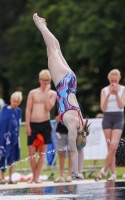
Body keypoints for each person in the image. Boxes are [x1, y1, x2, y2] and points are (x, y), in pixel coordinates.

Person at [33, 13, 89, 179]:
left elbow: (80, 148)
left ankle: (44, 26)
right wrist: (76, 173)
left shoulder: (82, 123)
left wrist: (79, 172)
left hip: (72, 81)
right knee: (51, 50)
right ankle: (40, 24)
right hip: (63, 83)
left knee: (56, 49)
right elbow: (74, 149)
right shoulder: (72, 125)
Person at [95, 69, 125, 181]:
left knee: (114, 146)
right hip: (107, 118)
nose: (113, 82)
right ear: (109, 80)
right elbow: (103, 108)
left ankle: (103, 170)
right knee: (110, 147)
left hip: (118, 117)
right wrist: (109, 94)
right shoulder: (104, 90)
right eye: (112, 80)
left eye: (115, 80)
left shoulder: (124, 89)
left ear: (119, 79)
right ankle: (113, 173)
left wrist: (116, 94)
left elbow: (121, 105)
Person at [25, 69, 57, 183]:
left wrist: (46, 93)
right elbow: (28, 109)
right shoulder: (33, 93)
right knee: (31, 151)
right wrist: (28, 125)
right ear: (40, 80)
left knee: (42, 152)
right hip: (33, 123)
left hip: (45, 123)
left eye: (48, 81)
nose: (46, 83)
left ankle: (37, 177)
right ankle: (34, 176)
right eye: (44, 81)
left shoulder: (52, 93)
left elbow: (49, 107)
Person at [0, 91, 22, 184]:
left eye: (17, 102)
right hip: (2, 137)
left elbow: (16, 124)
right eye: (14, 101)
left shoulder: (18, 111)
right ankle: (2, 178)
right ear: (11, 100)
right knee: (2, 156)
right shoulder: (4, 109)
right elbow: (2, 123)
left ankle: (10, 178)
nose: (15, 103)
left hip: (13, 138)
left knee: (12, 157)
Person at [54, 106, 73, 183]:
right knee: (61, 154)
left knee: (70, 153)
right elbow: (57, 120)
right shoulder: (59, 106)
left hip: (71, 132)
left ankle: (69, 175)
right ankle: (61, 175)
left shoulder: (75, 105)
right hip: (61, 132)